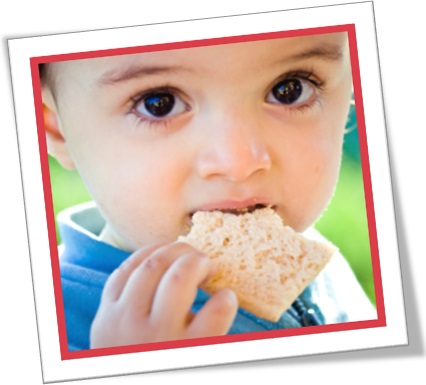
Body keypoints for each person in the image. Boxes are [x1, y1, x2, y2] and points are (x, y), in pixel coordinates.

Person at [40, 31, 376, 352]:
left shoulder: (315, 265)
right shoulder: (49, 332)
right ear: (56, 127)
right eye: (160, 103)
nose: (238, 162)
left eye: (290, 89)